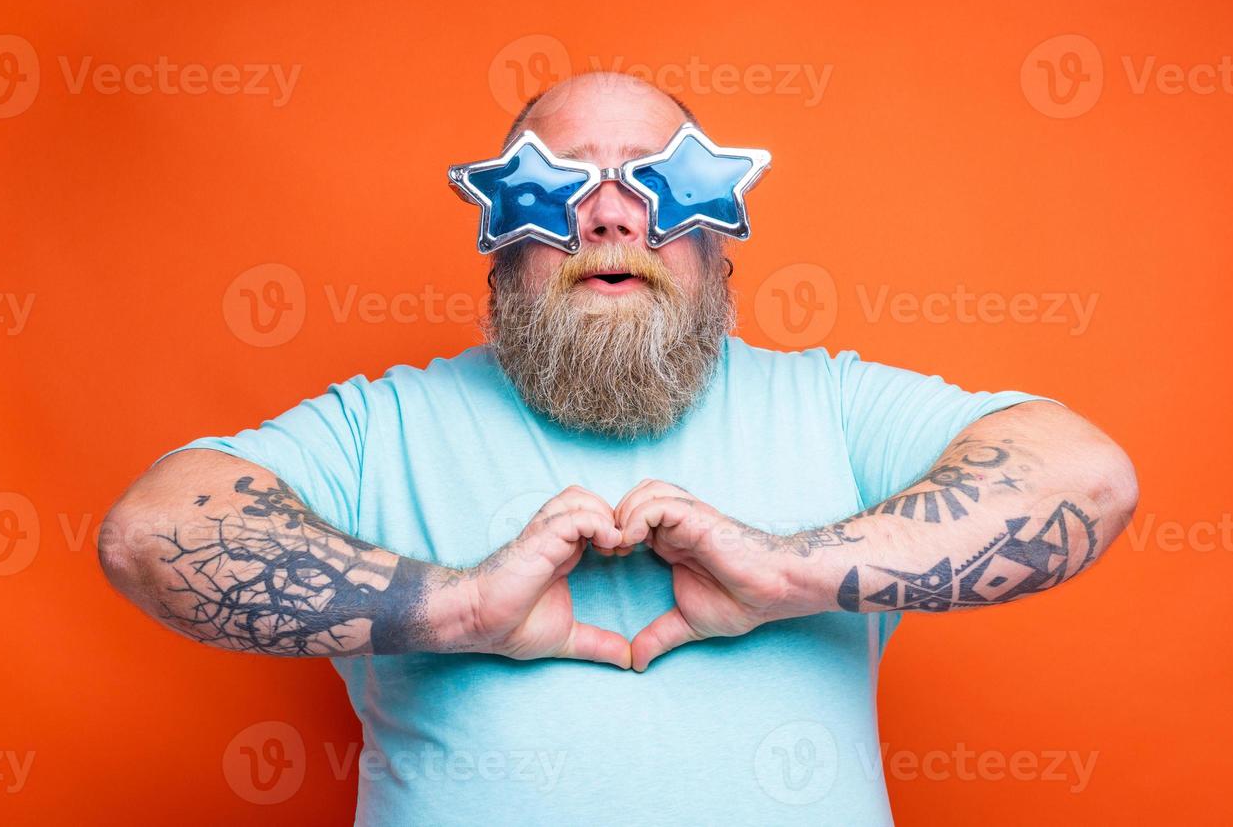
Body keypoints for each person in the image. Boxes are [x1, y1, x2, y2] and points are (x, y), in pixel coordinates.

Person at [98, 71, 1138, 825]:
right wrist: (460, 608)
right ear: (502, 236)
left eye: (660, 180)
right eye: (555, 184)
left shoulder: (828, 402)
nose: (608, 214)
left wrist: (785, 571)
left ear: (717, 238)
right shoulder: (383, 425)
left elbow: (1082, 475)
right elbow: (152, 533)